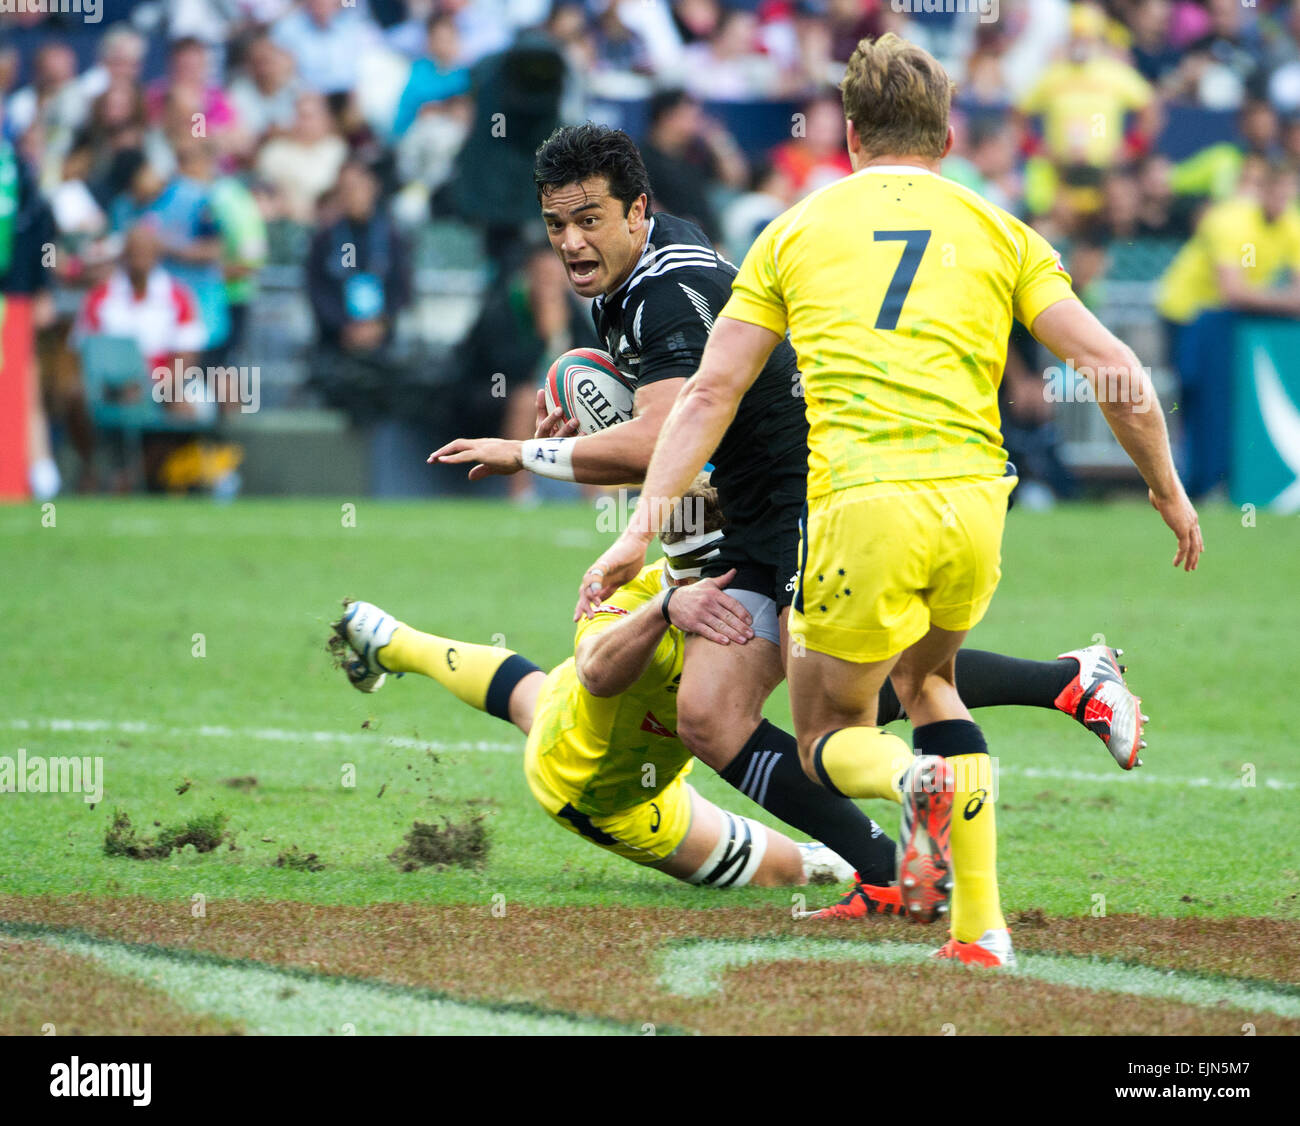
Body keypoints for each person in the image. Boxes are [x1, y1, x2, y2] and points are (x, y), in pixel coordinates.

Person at [579, 34, 1200, 967]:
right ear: (948, 135)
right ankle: (980, 929)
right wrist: (1166, 488)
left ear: (854, 132)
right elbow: (1112, 368)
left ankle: (918, 784)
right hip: (978, 504)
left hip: (861, 506)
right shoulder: (1002, 230)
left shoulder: (793, 229)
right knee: (930, 680)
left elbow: (708, 395)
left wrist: (637, 534)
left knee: (831, 732)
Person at [430, 122, 1155, 920]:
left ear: (637, 210)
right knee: (727, 713)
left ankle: (1046, 709)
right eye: (556, 224)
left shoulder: (664, 293)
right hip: (756, 503)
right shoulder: (649, 266)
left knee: (848, 698)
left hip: (806, 494)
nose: (570, 242)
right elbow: (684, 420)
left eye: (589, 220)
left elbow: (665, 435)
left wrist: (523, 454)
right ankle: (897, 854)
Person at [330, 480, 869, 892]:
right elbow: (595, 670)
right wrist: (663, 609)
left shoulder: (737, 590)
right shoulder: (635, 593)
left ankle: (390, 640)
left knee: (530, 696)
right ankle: (878, 863)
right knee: (802, 869)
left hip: (576, 718)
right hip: (604, 796)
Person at [1156, 160, 1300, 499]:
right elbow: (1232, 291)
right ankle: (1191, 484)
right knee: (1194, 396)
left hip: (1225, 319)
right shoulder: (1229, 221)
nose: (1282, 198)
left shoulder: (1291, 226)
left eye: (1288, 191)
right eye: (1276, 190)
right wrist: (1284, 301)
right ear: (1261, 190)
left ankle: (1213, 482)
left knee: (1222, 397)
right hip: (1188, 313)